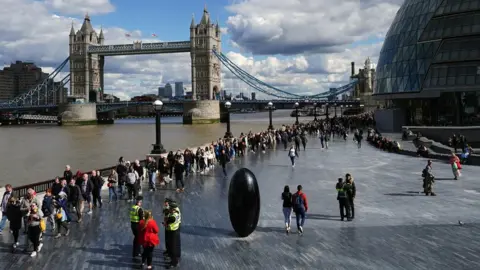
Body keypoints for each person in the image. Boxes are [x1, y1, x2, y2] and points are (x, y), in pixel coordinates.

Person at [164, 202, 181, 268]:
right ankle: (173, 260)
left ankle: (174, 262)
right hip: (175, 231)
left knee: (172, 248)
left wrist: (166, 221)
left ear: (173, 209)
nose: (169, 209)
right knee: (173, 246)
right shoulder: (176, 213)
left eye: (170, 208)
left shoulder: (172, 217)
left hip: (172, 232)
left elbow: (166, 221)